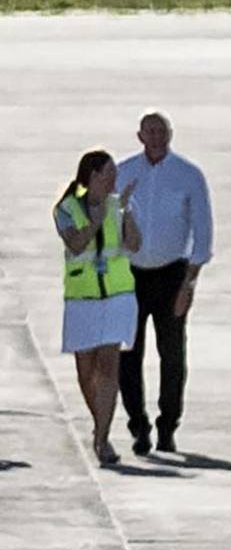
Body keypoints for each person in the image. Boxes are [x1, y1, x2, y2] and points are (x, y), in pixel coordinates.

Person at [115, 111, 214, 455]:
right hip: (131, 274)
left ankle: (168, 425)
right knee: (129, 354)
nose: (156, 137)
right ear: (140, 136)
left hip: (172, 273)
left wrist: (190, 283)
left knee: (172, 354)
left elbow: (202, 231)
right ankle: (138, 425)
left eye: (162, 131)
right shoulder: (124, 172)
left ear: (171, 134)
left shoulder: (188, 175)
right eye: (150, 132)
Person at [54, 150, 141, 465]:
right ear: (92, 176)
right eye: (108, 175)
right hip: (82, 299)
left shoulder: (119, 205)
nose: (113, 181)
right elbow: (75, 243)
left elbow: (134, 244)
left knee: (108, 366)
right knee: (85, 371)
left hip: (117, 296)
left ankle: (102, 438)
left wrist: (126, 211)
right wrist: (97, 220)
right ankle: (98, 422)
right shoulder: (66, 208)